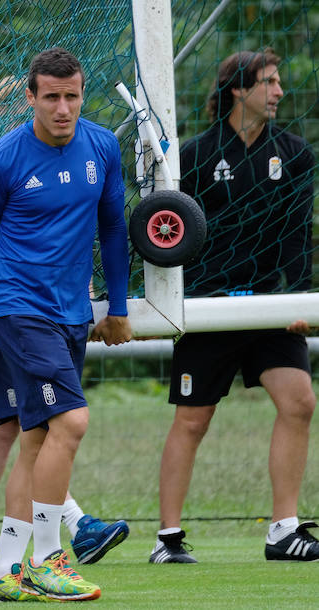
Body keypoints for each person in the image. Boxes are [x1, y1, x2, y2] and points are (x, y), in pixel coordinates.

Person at [0, 75, 128, 571]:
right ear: (31, 100)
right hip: (17, 308)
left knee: (32, 435)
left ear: (82, 96)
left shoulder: (103, 146)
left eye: (71, 96)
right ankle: (48, 558)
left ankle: (2, 569)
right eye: (51, 97)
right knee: (70, 420)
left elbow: (111, 227)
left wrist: (121, 307)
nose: (62, 108)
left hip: (71, 312)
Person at [151, 48, 317, 564]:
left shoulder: (295, 155)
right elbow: (172, 238)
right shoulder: (193, 156)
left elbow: (297, 238)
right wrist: (181, 303)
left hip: (269, 306)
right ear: (238, 90)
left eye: (278, 81)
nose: (279, 92)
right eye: (269, 81)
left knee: (299, 402)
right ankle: (168, 541)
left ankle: (283, 530)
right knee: (192, 421)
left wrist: (302, 300)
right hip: (208, 308)